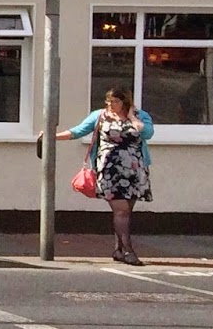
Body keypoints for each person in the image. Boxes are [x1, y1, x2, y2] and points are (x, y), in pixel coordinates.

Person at [57, 87, 154, 265]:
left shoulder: (140, 116)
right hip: (110, 171)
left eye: (115, 101)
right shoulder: (100, 116)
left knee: (125, 212)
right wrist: (52, 137)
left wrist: (132, 117)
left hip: (134, 171)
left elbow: (147, 133)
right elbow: (78, 131)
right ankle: (129, 251)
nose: (110, 105)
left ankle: (118, 250)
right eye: (108, 101)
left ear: (125, 102)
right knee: (121, 210)